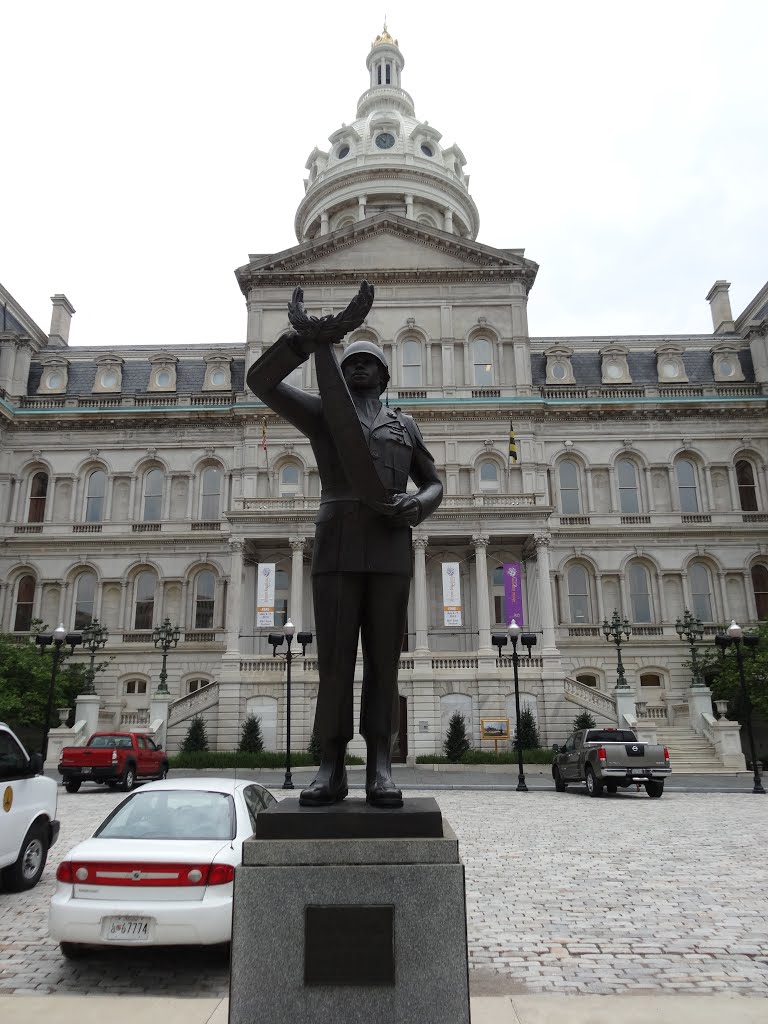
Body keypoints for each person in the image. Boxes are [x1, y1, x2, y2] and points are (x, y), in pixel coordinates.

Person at [247, 305, 442, 808]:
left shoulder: (405, 424)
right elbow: (261, 381)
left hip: (389, 543)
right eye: (350, 360)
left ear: (384, 375)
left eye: (368, 362)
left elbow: (435, 482)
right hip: (336, 543)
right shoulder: (323, 412)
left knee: (384, 662)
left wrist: (416, 506)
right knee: (333, 662)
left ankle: (380, 764)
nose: (358, 367)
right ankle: (330, 766)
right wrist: (304, 339)